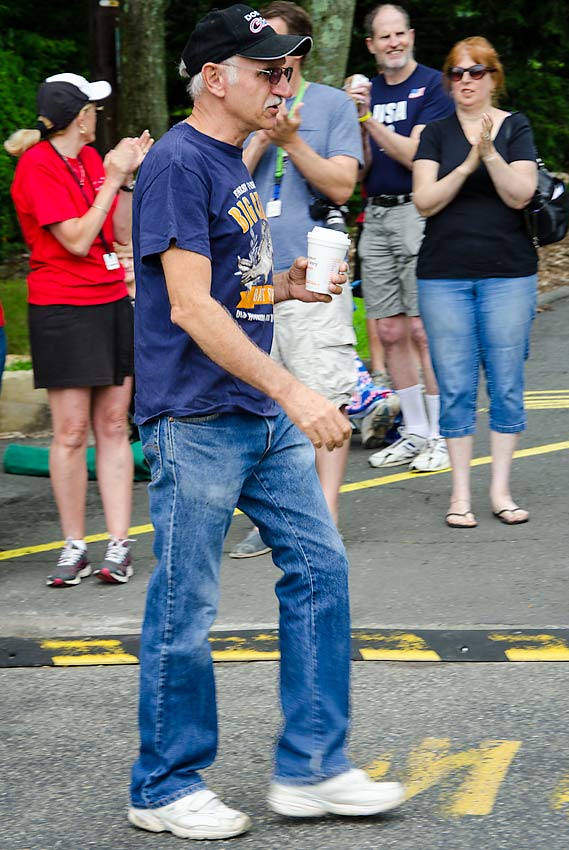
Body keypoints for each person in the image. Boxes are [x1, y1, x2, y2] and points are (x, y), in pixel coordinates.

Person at [129, 5, 405, 840]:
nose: (285, 84)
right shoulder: (179, 163)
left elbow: (224, 288)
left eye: (290, 69)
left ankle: (312, 769)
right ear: (217, 78)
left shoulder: (229, 159)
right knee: (186, 607)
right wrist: (295, 390)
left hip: (252, 409)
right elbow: (186, 308)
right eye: (269, 70)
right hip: (198, 415)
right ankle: (163, 785)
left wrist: (281, 286)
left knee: (320, 572)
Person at [5, 74, 152, 586]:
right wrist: (112, 179)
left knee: (113, 426)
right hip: (62, 307)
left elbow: (115, 231)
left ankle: (118, 544)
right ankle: (73, 547)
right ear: (79, 117)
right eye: (92, 108)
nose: (98, 116)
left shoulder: (91, 160)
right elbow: (75, 239)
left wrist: (127, 175)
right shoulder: (36, 166)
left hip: (110, 300)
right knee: (70, 432)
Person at [231, 0, 362, 558]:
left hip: (315, 269)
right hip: (254, 270)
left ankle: (324, 519)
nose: (271, 60)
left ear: (301, 49)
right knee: (265, 402)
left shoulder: (330, 105)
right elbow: (223, 178)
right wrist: (263, 135)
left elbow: (342, 186)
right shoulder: (248, 106)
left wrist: (293, 142)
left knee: (323, 391)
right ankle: (276, 519)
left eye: (279, 46)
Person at [412, 37, 538, 528]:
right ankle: (460, 493)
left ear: (493, 77)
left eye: (476, 71)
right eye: (457, 72)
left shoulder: (516, 127)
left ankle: (501, 490)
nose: (466, 80)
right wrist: (467, 159)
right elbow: (424, 201)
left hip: (509, 272)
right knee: (457, 385)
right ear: (449, 79)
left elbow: (520, 194)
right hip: (443, 275)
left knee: (507, 383)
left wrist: (489, 153)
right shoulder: (436, 134)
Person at [348, 4, 454, 472]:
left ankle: (443, 435)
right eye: (382, 37)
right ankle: (414, 432)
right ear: (371, 46)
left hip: (418, 212)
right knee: (389, 331)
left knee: (420, 330)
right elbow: (363, 167)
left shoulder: (432, 85)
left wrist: (368, 117)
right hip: (376, 213)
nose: (393, 43)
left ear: (411, 36)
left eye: (399, 34)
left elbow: (417, 154)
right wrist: (355, 117)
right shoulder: (366, 94)